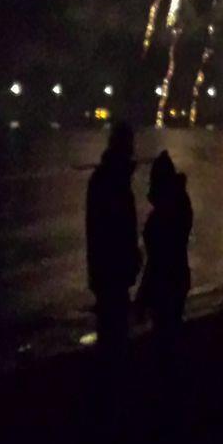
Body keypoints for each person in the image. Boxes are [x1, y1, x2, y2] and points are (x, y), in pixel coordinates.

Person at [86, 122, 141, 359]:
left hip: (106, 269)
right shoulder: (115, 181)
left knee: (111, 327)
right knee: (115, 327)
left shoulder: (103, 179)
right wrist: (131, 256)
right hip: (113, 269)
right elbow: (118, 227)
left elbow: (97, 229)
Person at [136, 151, 193, 358]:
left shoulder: (165, 213)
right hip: (177, 278)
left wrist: (142, 297)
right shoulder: (179, 205)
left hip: (165, 283)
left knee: (164, 336)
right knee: (171, 332)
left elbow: (158, 260)